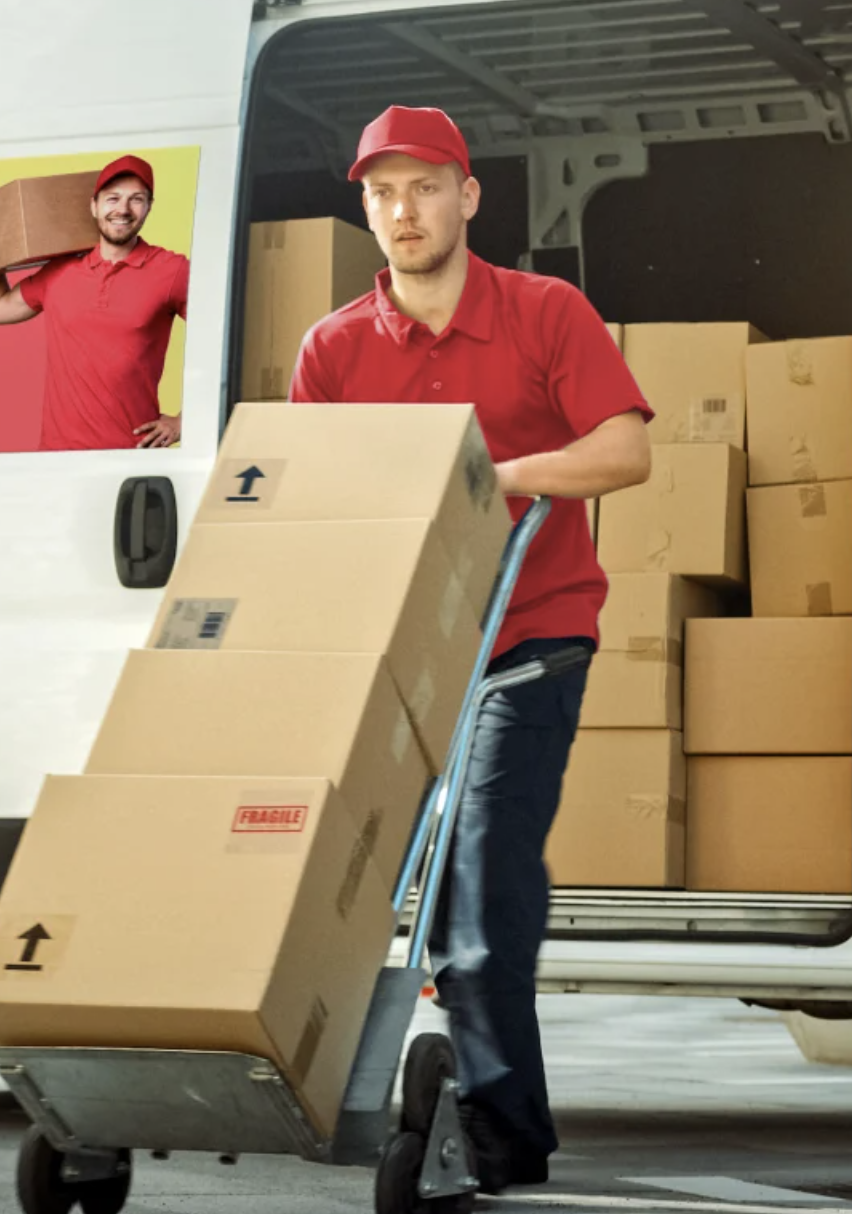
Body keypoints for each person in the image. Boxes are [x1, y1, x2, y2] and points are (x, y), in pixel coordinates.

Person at [288, 105, 652, 1194]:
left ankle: (504, 1134)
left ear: (468, 196)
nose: (404, 210)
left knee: (482, 889)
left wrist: (498, 478)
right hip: (397, 654)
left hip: (529, 638)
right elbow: (308, 498)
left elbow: (626, 449)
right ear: (367, 207)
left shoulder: (546, 311)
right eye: (382, 193)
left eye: (424, 187)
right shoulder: (336, 346)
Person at [0, 155, 189, 450]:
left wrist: (184, 420)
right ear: (94, 206)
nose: (123, 210)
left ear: (149, 207)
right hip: (57, 456)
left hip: (133, 455)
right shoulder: (60, 272)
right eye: (112, 198)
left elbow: (227, 337)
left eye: (136, 199)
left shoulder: (173, 271)